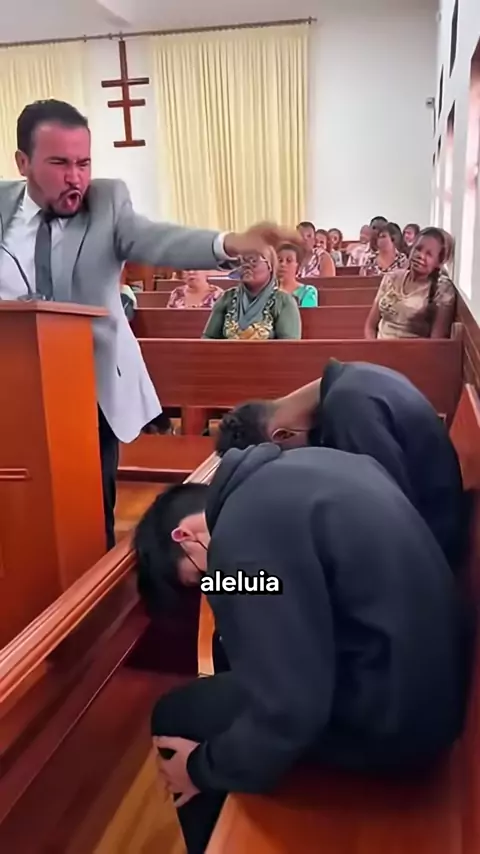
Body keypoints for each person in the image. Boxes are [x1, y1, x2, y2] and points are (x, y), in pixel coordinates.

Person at [134, 445, 468, 854]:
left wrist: (199, 768)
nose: (210, 582)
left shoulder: (242, 536)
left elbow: (292, 710)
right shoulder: (310, 464)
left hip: (396, 726)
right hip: (423, 685)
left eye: (197, 577)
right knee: (232, 682)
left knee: (178, 714)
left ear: (184, 535)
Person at [0, 99, 300, 549]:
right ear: (23, 163)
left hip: (86, 388)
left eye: (83, 163)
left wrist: (231, 243)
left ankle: (92, 576)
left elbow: (158, 239)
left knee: (88, 510)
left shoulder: (106, 203)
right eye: (59, 163)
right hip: (14, 385)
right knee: (21, 511)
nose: (76, 177)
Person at [214, 359, 465, 570]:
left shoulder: (349, 411)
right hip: (430, 532)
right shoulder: (352, 377)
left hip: (432, 551)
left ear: (282, 435)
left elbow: (385, 520)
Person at [365, 226, 456, 340]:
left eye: (429, 254)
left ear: (439, 262)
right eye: (418, 248)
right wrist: (372, 347)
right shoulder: (391, 278)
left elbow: (436, 341)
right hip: (378, 346)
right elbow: (370, 326)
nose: (420, 255)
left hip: (415, 350)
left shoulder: (442, 289)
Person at [202, 248, 301, 339]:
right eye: (242, 261)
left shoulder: (283, 302)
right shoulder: (227, 298)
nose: (246, 266)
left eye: (253, 261)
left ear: (270, 266)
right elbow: (208, 340)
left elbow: (288, 348)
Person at [277, 242, 318, 307]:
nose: (283, 264)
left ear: (298, 266)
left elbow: (307, 312)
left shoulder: (307, 292)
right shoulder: (268, 292)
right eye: (280, 260)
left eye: (289, 260)